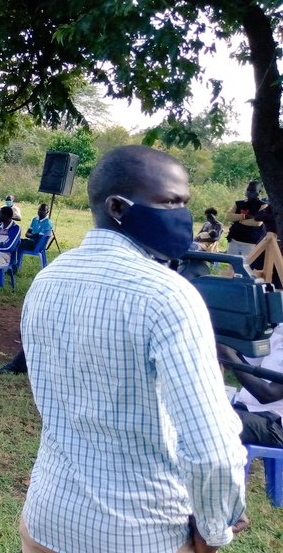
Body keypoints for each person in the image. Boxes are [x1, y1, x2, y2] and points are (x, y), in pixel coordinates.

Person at [19, 145, 247, 553]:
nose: (183, 215)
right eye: (170, 202)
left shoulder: (48, 280)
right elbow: (212, 447)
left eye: (185, 203)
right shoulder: (170, 296)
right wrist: (214, 530)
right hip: (143, 530)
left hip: (48, 517)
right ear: (117, 208)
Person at [218, 328, 283, 448]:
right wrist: (226, 347)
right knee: (196, 414)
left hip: (277, 424)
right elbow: (246, 365)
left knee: (214, 421)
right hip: (248, 409)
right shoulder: (277, 333)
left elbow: (268, 394)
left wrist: (227, 354)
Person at [225, 180, 267, 257]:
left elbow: (257, 222)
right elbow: (229, 216)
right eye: (248, 189)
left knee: (248, 264)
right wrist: (245, 216)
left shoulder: (263, 205)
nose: (249, 192)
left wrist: (238, 220)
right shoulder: (239, 203)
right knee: (231, 263)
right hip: (234, 240)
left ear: (259, 192)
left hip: (250, 243)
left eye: (252, 190)